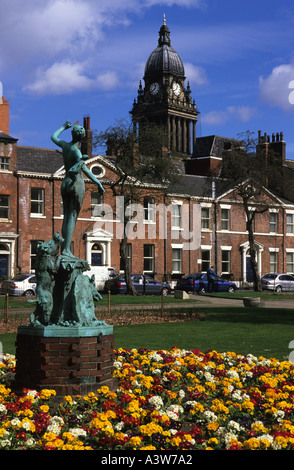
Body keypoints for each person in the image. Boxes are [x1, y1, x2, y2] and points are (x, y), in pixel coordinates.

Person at [51, 121, 105, 258]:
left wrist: (63, 127)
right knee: (72, 217)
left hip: (65, 182)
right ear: (81, 138)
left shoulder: (65, 146)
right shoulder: (76, 151)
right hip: (76, 183)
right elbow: (84, 168)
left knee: (66, 217)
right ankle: (66, 250)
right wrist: (98, 182)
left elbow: (53, 137)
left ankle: (65, 249)